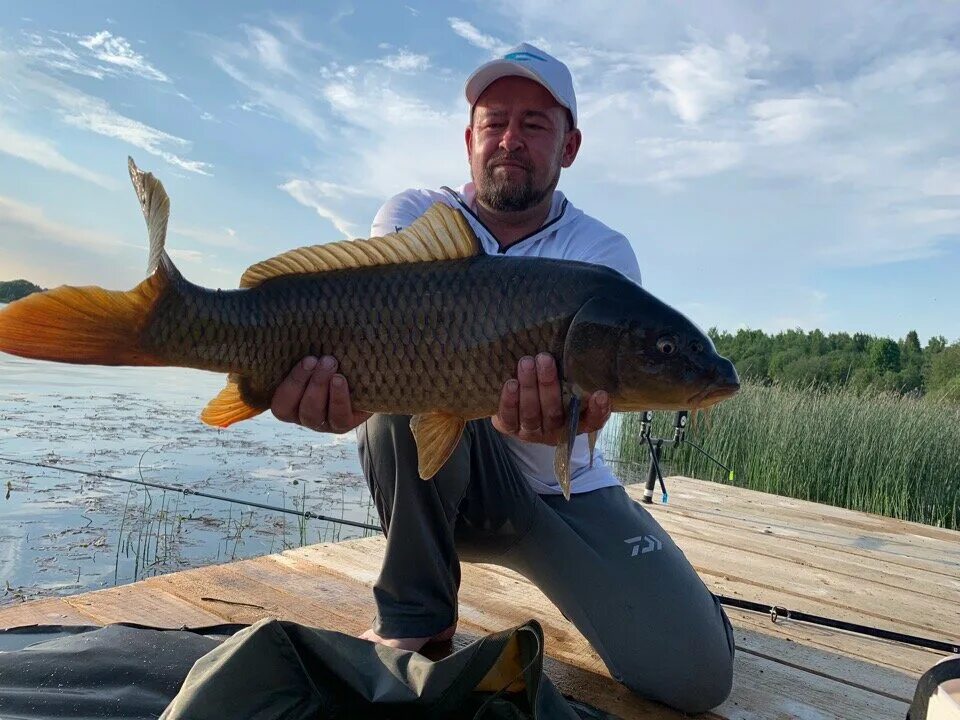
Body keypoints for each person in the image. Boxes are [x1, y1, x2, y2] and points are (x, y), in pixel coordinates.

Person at [270, 43, 735, 713]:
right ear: (469, 139)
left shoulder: (601, 254)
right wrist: (333, 401)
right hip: (446, 489)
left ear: (569, 146)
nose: (510, 140)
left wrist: (570, 420)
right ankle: (415, 613)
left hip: (559, 492)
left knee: (696, 679)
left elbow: (601, 396)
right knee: (409, 384)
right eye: (495, 122)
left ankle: (674, 596)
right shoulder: (412, 216)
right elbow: (362, 355)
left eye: (535, 125)